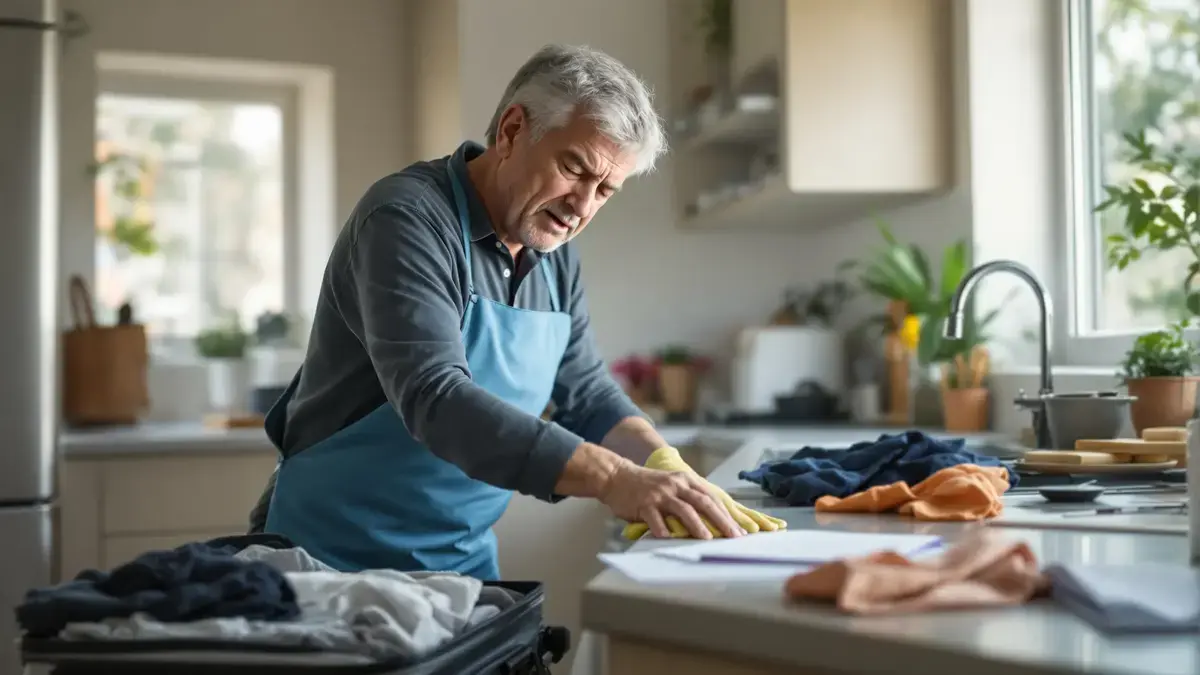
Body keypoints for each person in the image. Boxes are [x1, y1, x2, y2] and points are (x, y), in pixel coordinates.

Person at [248, 44, 779, 581]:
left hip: (459, 563)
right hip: (329, 561)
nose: (582, 207)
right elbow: (435, 396)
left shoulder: (552, 253)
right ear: (510, 130)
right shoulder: (406, 219)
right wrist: (615, 478)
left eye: (606, 190)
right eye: (575, 169)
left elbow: (586, 393)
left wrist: (663, 462)